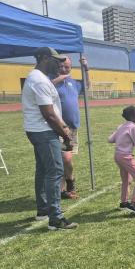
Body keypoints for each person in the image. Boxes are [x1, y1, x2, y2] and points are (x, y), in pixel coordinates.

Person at [22, 47, 78, 230]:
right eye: (56, 61)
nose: (59, 65)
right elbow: (50, 115)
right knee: (54, 172)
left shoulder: (37, 78)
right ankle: (56, 218)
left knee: (43, 171)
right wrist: (66, 134)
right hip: (45, 132)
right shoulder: (39, 80)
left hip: (38, 131)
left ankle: (43, 210)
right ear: (45, 59)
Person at [51, 56, 90, 199]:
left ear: (71, 67)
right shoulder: (52, 81)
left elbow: (86, 85)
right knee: (64, 158)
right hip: (58, 127)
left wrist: (86, 68)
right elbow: (47, 85)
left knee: (66, 159)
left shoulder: (73, 83)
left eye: (67, 67)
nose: (63, 69)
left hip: (72, 127)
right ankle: (70, 184)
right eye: (61, 66)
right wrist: (62, 77)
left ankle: (65, 188)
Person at [108, 106, 135, 215]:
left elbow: (110, 139)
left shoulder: (121, 126)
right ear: (131, 116)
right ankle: (133, 204)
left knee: (127, 180)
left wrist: (115, 132)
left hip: (118, 156)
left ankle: (124, 203)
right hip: (126, 157)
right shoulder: (134, 127)